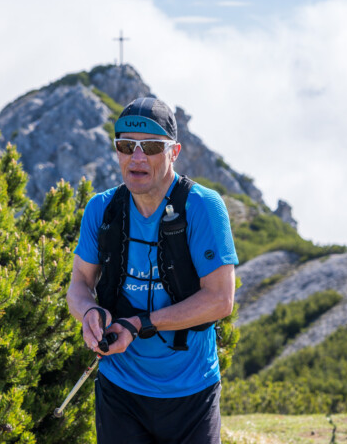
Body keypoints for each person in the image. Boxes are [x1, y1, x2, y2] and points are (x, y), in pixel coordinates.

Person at [66, 97, 238, 444]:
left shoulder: (202, 206)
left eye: (152, 147)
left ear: (174, 152)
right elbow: (80, 283)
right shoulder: (102, 209)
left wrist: (140, 323)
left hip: (192, 391)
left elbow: (221, 300)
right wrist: (89, 313)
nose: (137, 157)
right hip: (120, 389)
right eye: (126, 146)